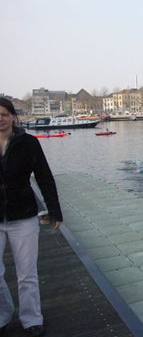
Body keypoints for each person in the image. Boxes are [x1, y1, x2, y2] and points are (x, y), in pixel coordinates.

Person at [0, 97, 63, 337]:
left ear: (13, 117)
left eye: (5, 113)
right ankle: (4, 314)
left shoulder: (28, 143)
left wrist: (54, 210)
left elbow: (44, 176)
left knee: (27, 273)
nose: (0, 118)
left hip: (23, 216)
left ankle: (31, 319)